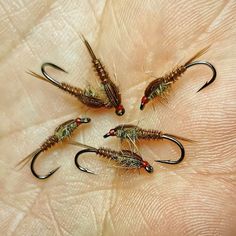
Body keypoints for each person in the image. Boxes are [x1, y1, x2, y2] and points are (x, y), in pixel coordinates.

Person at [1, 1, 235, 235]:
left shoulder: (120, 123)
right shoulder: (116, 117)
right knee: (92, 87)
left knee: (92, 88)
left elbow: (124, 146)